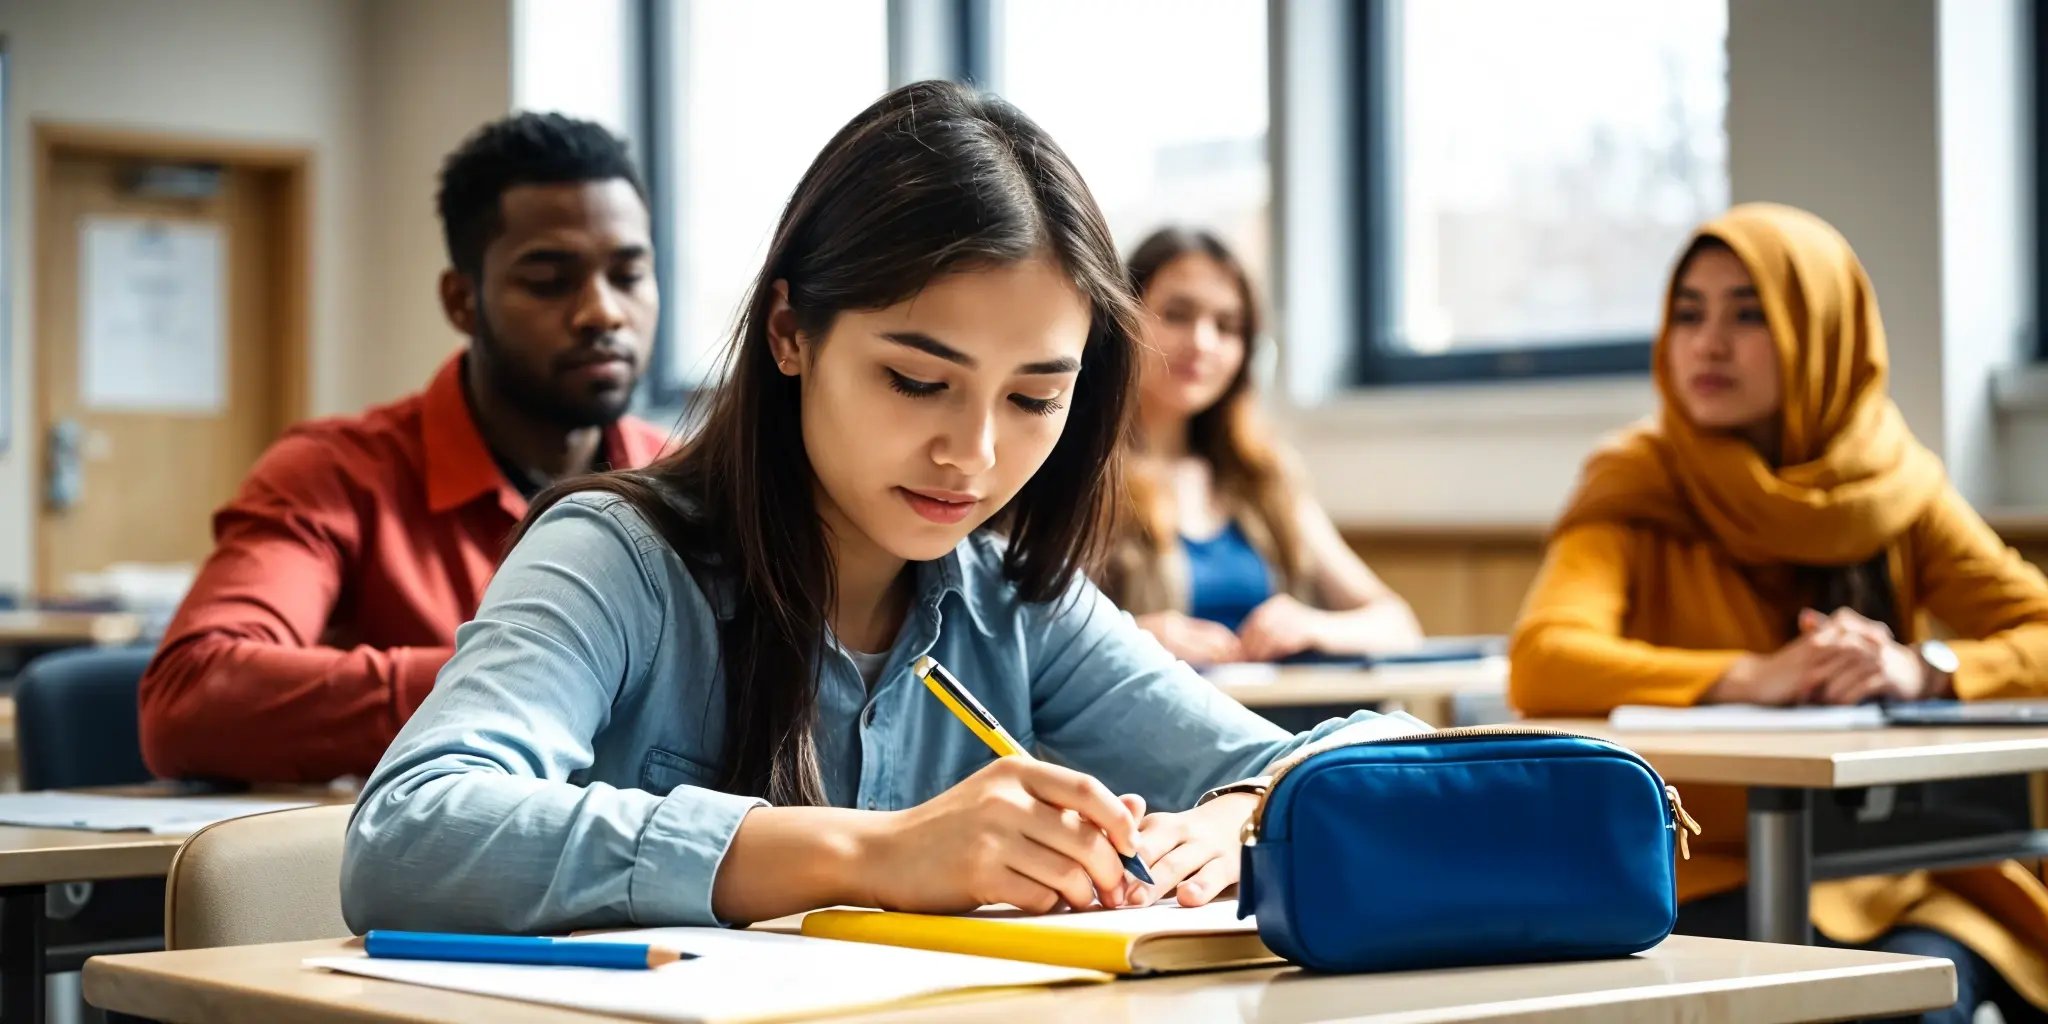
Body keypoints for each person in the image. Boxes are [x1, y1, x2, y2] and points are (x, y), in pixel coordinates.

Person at [340, 81, 1389, 934]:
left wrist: (1249, 808)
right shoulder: (615, 556)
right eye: (916, 380)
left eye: (1033, 397)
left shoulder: (1014, 600)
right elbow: (408, 834)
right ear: (790, 332)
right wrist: (877, 853)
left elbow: (1365, 747)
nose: (971, 455)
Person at [1511, 202, 2048, 1023]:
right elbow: (1547, 658)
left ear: (1822, 330)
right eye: (1688, 314)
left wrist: (1924, 667)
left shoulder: (1891, 484)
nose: (1709, 344)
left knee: (1919, 999)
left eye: (1749, 314)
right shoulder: (1639, 479)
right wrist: (1753, 675)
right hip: (1684, 875)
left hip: (1886, 876)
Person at [139, 113, 670, 783]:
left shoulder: (689, 488)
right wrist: (522, 675)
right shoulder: (335, 474)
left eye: (628, 275)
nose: (602, 312)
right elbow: (191, 697)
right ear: (462, 302)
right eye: (548, 280)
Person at [1100, 227, 1420, 667]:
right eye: (1177, 315)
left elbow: (1397, 624)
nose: (1203, 342)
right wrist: (1136, 635)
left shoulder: (1265, 475)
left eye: (1227, 326)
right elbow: (1037, 636)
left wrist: (1314, 625)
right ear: (1124, 318)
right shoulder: (1086, 477)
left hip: (1287, 728)